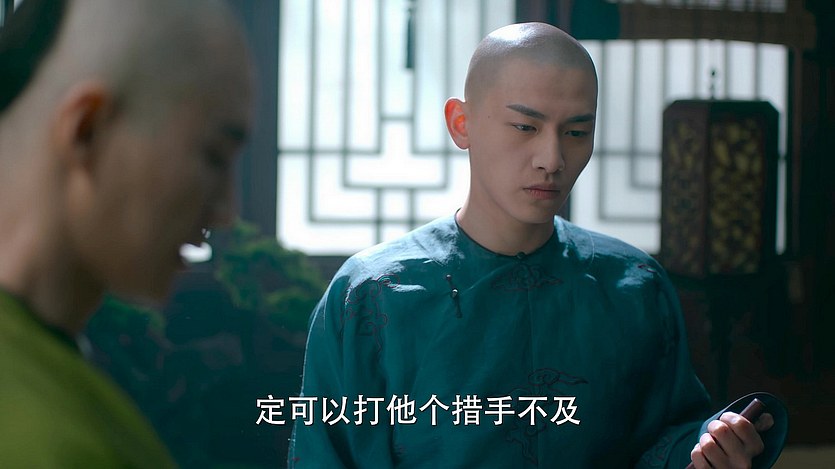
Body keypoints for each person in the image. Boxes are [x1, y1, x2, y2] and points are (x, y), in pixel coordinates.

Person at [288, 22, 785, 468]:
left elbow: (665, 437)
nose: (552, 158)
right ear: (461, 123)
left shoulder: (632, 284)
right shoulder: (372, 292)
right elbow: (325, 454)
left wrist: (711, 449)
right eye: (525, 127)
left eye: (576, 131)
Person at [0, 0, 253, 466]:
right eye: (212, 157)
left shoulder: (55, 377)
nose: (225, 212)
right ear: (86, 129)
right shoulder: (46, 442)